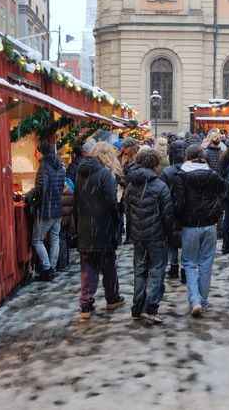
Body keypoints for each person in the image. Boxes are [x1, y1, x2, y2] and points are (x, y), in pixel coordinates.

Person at [173, 145, 227, 317]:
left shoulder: (181, 176)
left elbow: (179, 203)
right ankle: (203, 300)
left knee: (189, 263)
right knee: (206, 263)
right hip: (209, 224)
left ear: (187, 157)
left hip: (190, 226)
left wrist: (177, 221)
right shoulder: (212, 174)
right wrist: (217, 211)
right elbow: (224, 191)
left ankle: (195, 300)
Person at [74, 141, 125, 320]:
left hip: (85, 226)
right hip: (104, 226)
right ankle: (112, 298)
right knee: (109, 264)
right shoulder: (105, 174)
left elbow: (76, 201)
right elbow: (112, 202)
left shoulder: (80, 174)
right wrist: (118, 216)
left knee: (88, 266)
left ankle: (86, 304)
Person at [124, 149, 174, 324]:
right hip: (156, 236)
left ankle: (137, 307)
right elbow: (167, 214)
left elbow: (127, 211)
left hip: (138, 235)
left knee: (139, 270)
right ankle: (151, 307)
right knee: (157, 270)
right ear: (154, 164)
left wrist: (131, 232)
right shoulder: (160, 186)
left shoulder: (131, 185)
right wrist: (170, 234)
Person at [29, 139, 66, 281]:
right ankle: (53, 267)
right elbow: (61, 187)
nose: (35, 154)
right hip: (58, 208)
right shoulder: (60, 165)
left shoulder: (44, 167)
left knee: (37, 240)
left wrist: (29, 196)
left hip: (46, 209)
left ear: (41, 152)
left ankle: (47, 267)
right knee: (55, 237)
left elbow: (40, 189)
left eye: (36, 151)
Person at [161, 138, 188, 282]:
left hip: (170, 209)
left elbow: (163, 193)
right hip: (186, 210)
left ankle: (173, 266)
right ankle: (184, 268)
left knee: (172, 239)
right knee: (185, 238)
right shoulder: (188, 170)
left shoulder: (167, 171)